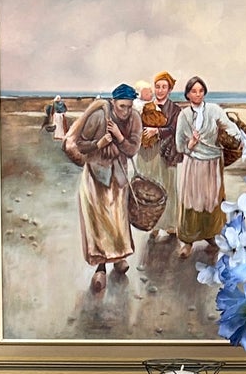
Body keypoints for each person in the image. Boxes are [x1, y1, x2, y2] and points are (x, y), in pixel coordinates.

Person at [63, 82, 142, 290]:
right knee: (98, 223)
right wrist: (99, 144)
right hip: (96, 175)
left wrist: (119, 136)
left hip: (118, 175)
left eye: (129, 106)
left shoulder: (134, 118)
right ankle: (101, 269)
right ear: (113, 102)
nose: (126, 111)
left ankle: (119, 257)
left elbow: (133, 149)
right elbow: (80, 145)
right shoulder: (99, 117)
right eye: (122, 106)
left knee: (118, 220)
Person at [174, 75, 228, 256]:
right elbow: (179, 145)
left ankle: (211, 235)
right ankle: (187, 240)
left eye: (201, 91)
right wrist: (190, 144)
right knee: (192, 200)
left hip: (213, 162)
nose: (198, 94)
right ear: (187, 94)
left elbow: (229, 128)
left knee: (212, 200)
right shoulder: (184, 115)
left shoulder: (214, 110)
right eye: (193, 91)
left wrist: (234, 138)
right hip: (193, 163)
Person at [135, 72, 180, 242]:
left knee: (168, 186)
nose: (160, 90)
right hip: (148, 151)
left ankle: (170, 224)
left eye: (164, 87)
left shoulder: (175, 109)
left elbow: (175, 129)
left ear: (169, 89)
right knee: (151, 186)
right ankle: (154, 224)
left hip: (167, 151)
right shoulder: (146, 106)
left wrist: (158, 131)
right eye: (158, 87)